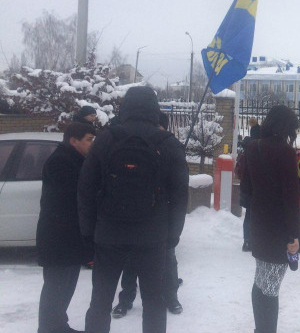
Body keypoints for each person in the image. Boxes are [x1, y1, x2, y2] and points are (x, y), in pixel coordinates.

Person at [78, 86, 189, 333]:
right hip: (152, 236)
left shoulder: (106, 139)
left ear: (125, 107)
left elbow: (86, 188)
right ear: (154, 108)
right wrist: (172, 235)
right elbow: (180, 195)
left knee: (100, 301)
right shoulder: (168, 143)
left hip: (109, 233)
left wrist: (88, 232)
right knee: (154, 302)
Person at [111, 112, 184, 319]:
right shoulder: (135, 144)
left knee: (168, 259)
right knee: (130, 261)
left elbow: (178, 188)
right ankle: (126, 299)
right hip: (132, 214)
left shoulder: (170, 146)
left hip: (161, 216)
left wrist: (175, 226)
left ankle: (171, 297)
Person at [239, 105, 300, 333]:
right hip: (279, 229)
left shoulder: (252, 147)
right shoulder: (285, 152)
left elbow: (246, 191)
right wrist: (294, 235)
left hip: (259, 225)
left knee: (261, 282)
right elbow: (290, 198)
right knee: (270, 288)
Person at [37, 122, 96, 333]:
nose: (92, 144)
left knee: (65, 287)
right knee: (56, 288)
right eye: (89, 139)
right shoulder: (61, 162)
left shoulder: (75, 159)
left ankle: (59, 325)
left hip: (69, 238)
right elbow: (73, 198)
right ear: (73, 140)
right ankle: (48, 328)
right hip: (58, 239)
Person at [239, 122, 262, 252]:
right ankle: (254, 241)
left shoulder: (246, 147)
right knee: (256, 216)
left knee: (248, 215)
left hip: (246, 187)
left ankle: (247, 241)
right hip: (255, 188)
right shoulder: (257, 149)